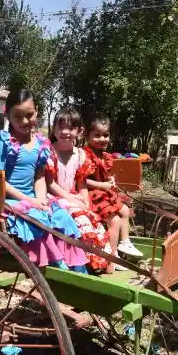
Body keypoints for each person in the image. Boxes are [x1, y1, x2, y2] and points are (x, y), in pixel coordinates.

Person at [0, 89, 88, 271]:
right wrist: (30, 201)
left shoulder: (40, 143)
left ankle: (76, 267)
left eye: (29, 115)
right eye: (17, 117)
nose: (24, 121)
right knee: (38, 219)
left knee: (63, 217)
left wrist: (41, 199)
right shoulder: (4, 141)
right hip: (9, 199)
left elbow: (39, 176)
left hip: (33, 197)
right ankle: (55, 264)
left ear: (37, 111)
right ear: (7, 115)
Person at [46, 107, 112, 273]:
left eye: (71, 128)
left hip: (72, 197)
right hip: (54, 197)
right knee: (78, 218)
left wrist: (84, 200)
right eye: (60, 127)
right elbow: (49, 183)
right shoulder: (49, 152)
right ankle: (77, 263)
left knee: (90, 218)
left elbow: (81, 182)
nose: (65, 132)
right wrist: (70, 198)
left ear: (79, 131)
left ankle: (95, 262)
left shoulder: (80, 155)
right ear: (54, 129)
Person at [82, 115, 143, 260]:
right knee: (114, 219)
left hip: (104, 192)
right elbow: (81, 180)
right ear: (87, 135)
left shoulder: (106, 156)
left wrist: (111, 180)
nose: (102, 139)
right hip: (92, 194)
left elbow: (106, 175)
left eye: (105, 135)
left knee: (125, 210)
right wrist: (102, 185)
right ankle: (112, 254)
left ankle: (125, 242)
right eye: (97, 135)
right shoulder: (85, 155)